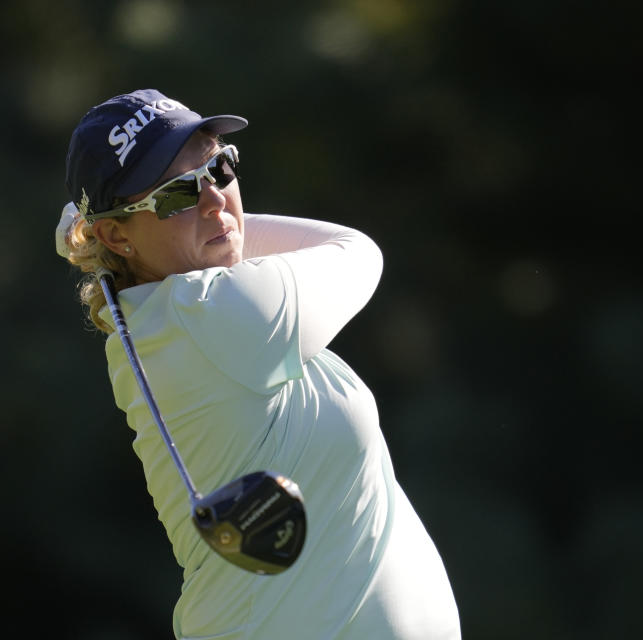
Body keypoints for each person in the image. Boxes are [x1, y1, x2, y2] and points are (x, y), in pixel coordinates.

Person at [55, 88, 461, 639]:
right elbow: (357, 250)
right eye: (176, 195)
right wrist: (92, 230)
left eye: (219, 168)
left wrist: (106, 232)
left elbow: (216, 230)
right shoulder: (225, 311)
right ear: (116, 236)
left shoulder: (151, 315)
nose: (214, 200)